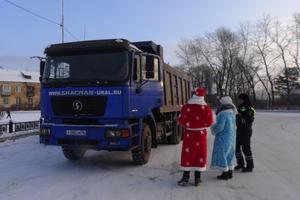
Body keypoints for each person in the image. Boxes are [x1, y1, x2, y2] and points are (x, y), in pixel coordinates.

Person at [177, 87, 214, 186]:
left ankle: (185, 177)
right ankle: (197, 178)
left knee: (188, 154)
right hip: (201, 135)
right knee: (199, 154)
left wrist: (189, 124)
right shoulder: (206, 108)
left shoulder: (186, 106)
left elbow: (180, 120)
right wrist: (201, 125)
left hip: (189, 134)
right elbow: (210, 122)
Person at [211, 96, 237, 180]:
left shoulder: (222, 113)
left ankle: (225, 173)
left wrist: (213, 128)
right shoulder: (232, 112)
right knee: (229, 154)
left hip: (223, 137)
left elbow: (220, 127)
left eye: (221, 102)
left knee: (222, 154)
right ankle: (230, 173)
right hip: (231, 137)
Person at [235, 93, 255, 172]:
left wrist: (240, 117)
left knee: (246, 148)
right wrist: (239, 117)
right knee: (237, 147)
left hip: (246, 130)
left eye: (240, 99)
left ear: (243, 99)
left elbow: (248, 119)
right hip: (240, 130)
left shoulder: (248, 107)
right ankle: (240, 164)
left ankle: (250, 166)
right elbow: (240, 114)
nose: (238, 100)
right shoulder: (242, 107)